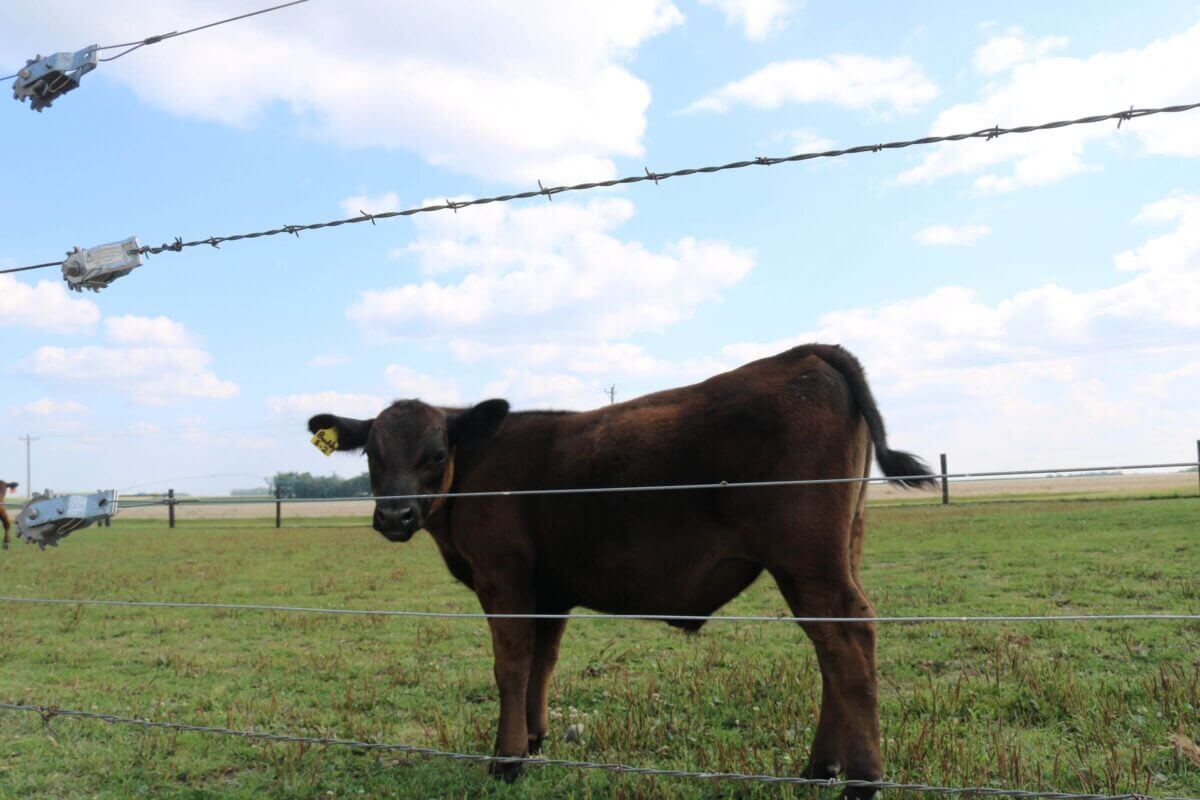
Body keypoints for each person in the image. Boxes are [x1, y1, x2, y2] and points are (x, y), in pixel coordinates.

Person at [0, 480, 16, 549]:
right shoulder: (2, 484)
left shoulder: (2, 484)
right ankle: (7, 541)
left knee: (7, 522)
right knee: (6, 522)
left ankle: (7, 540)